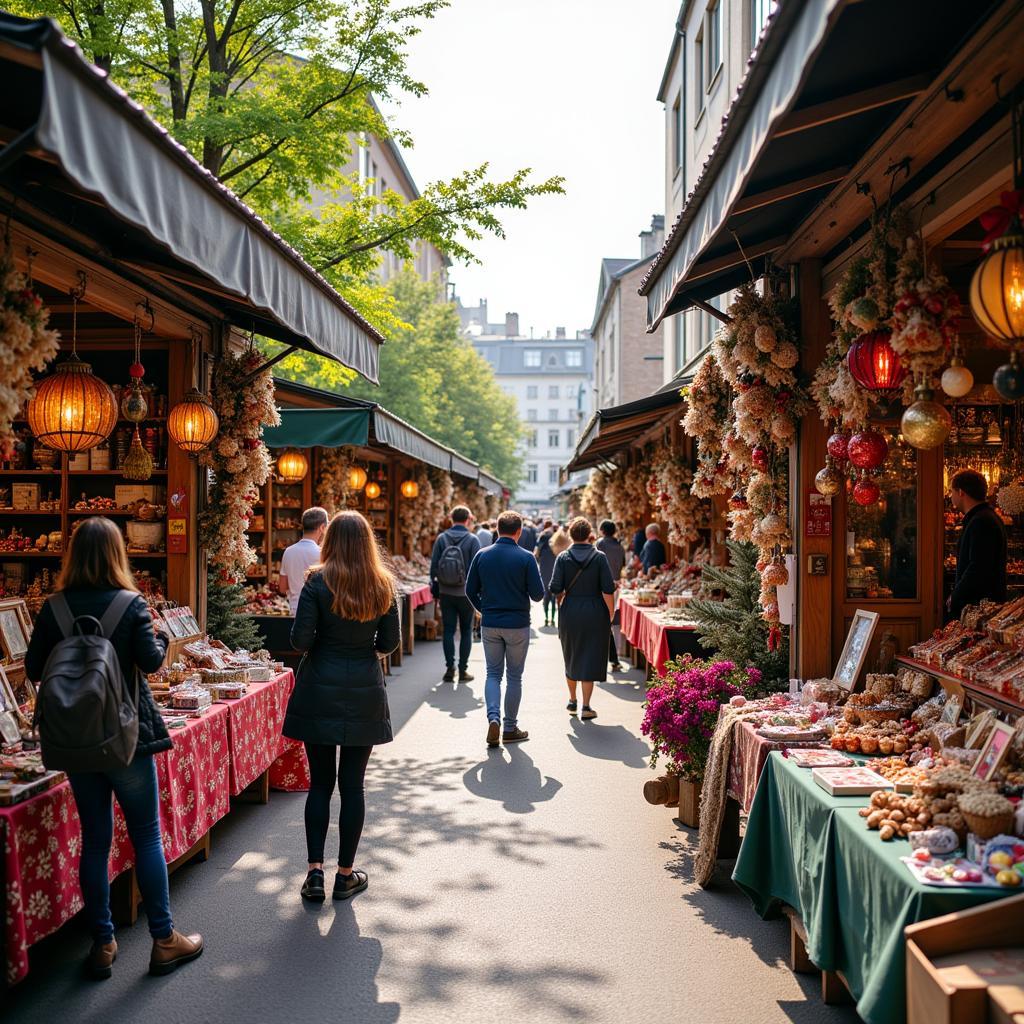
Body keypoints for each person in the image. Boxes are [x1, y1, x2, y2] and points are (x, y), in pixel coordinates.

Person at [25, 517, 202, 979]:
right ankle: (164, 940)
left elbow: (32, 669)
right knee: (145, 833)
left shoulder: (54, 607)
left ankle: (102, 943)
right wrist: (160, 637)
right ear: (118, 554)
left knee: (94, 840)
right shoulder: (130, 604)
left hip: (77, 740)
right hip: (127, 738)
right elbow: (151, 661)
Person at [283, 511, 401, 903]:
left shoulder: (317, 581)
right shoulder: (382, 584)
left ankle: (314, 873)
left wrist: (323, 640)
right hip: (364, 690)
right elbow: (388, 643)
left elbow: (300, 641)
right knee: (353, 786)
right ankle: (345, 875)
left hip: (319, 687)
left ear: (329, 539)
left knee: (319, 784)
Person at [465, 510, 545, 747]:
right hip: (518, 624)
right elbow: (538, 595)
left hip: (491, 623)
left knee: (492, 674)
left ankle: (493, 718)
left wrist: (483, 609)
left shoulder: (482, 554)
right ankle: (510, 727)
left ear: (497, 529)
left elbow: (470, 590)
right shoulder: (526, 557)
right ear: (519, 532)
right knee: (514, 677)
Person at [550, 516, 616, 721]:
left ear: (570, 534)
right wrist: (610, 613)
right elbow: (608, 589)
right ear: (589, 535)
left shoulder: (562, 557)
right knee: (590, 656)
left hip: (570, 611)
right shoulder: (599, 557)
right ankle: (586, 705)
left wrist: (564, 597)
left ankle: (572, 700)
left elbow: (555, 588)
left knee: (571, 654)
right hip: (596, 610)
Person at [430, 505, 481, 682]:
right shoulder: (473, 540)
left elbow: (434, 566)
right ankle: (463, 670)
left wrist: (435, 588)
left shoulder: (441, 539)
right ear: (468, 519)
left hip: (446, 592)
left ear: (451, 518)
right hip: (466, 593)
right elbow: (478, 568)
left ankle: (450, 669)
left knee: (448, 630)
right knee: (466, 630)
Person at [948, 469, 1007, 618]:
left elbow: (978, 567)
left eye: (951, 491)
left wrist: (955, 595)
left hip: (979, 610)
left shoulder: (981, 521)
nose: (950, 496)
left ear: (961, 492)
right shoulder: (986, 517)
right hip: (980, 607)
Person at [278, 506, 328, 615]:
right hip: (318, 612)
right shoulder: (323, 554)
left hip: (295, 609)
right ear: (322, 527)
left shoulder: (288, 551)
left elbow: (282, 588)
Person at [595, 519, 626, 671]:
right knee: (608, 623)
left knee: (602, 625)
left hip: (601, 588)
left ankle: (608, 659)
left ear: (602, 531)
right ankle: (613, 659)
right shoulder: (620, 546)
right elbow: (622, 566)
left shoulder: (600, 544)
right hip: (615, 587)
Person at [534, 518, 558, 626]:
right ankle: (553, 618)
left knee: (546, 592)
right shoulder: (556, 535)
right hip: (555, 563)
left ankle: (546, 618)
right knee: (553, 592)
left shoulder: (543, 535)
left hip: (544, 564)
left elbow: (537, 549)